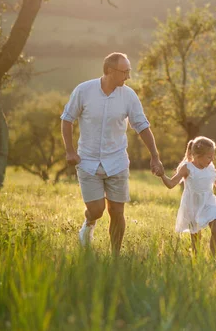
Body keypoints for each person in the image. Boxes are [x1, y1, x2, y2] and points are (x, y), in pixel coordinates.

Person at [61, 52, 164, 255]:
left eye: (129, 71)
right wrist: (70, 151)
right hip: (88, 160)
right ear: (109, 71)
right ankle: (89, 223)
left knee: (117, 211)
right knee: (97, 209)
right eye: (124, 72)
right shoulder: (84, 90)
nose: (128, 77)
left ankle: (114, 256)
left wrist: (155, 156)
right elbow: (67, 119)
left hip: (117, 161)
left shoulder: (129, 95)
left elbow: (142, 126)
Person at [159, 136, 216, 256]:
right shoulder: (187, 168)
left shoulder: (210, 167)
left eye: (213, 156)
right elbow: (171, 184)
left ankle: (213, 257)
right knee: (196, 237)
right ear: (198, 156)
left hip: (209, 202)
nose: (212, 159)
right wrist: (162, 175)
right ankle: (197, 261)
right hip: (193, 205)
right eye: (209, 157)